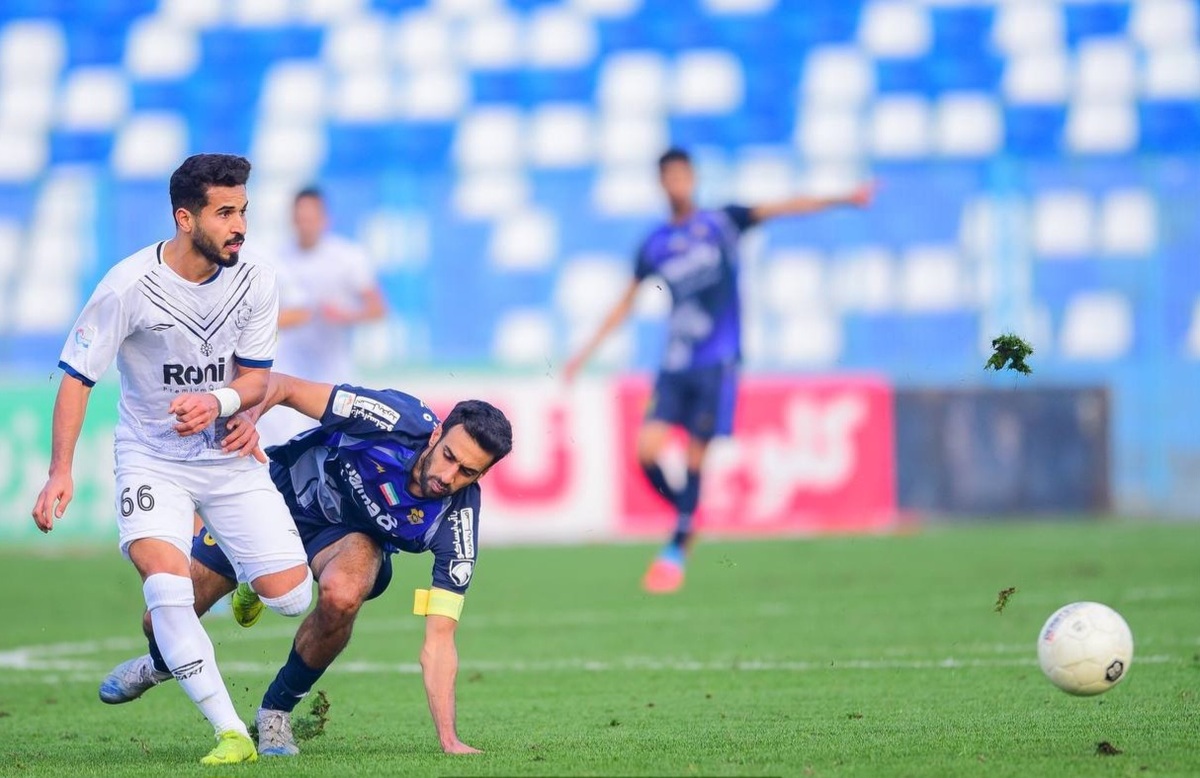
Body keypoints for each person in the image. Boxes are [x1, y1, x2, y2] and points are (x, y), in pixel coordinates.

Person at [31, 154, 313, 765]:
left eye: (243, 211)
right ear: (186, 219)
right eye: (225, 213)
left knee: (293, 598)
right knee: (167, 588)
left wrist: (222, 404)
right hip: (151, 458)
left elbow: (257, 378)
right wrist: (60, 470)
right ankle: (231, 732)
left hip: (226, 455)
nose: (240, 227)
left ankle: (240, 571)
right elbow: (77, 377)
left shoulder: (257, 280)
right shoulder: (127, 286)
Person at [99, 371, 513, 758]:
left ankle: (275, 712)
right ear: (436, 434)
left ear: (482, 475)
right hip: (278, 497)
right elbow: (284, 386)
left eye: (467, 472)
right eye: (448, 456)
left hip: (348, 539)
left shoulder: (456, 524)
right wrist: (249, 419)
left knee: (345, 595)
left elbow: (439, 640)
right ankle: (160, 663)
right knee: (160, 618)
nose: (448, 476)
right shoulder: (390, 418)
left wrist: (449, 739)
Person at [563, 147, 873, 594]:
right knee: (646, 451)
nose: (678, 183)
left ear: (693, 178)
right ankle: (688, 518)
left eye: (683, 175)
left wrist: (845, 198)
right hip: (675, 363)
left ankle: (675, 550)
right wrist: (584, 353)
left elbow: (786, 207)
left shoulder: (723, 222)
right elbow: (626, 303)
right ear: (662, 183)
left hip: (717, 362)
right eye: (670, 177)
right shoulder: (654, 244)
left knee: (694, 457)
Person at [257, 187, 388, 447]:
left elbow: (378, 309)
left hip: (333, 367)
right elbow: (265, 314)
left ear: (325, 219)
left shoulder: (347, 257)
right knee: (285, 440)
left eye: (311, 218)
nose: (306, 225)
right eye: (300, 218)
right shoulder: (276, 259)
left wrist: (346, 315)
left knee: (338, 442)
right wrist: (292, 318)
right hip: (288, 365)